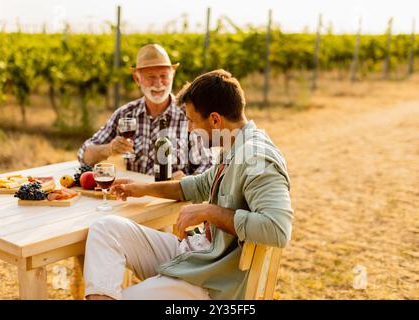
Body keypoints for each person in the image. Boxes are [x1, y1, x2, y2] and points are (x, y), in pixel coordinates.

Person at [83, 69, 293, 300]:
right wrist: (141, 188)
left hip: (213, 279)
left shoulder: (256, 157)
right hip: (198, 255)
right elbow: (198, 185)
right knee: (106, 228)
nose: (190, 129)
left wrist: (209, 211)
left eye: (192, 121)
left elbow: (277, 229)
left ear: (215, 119)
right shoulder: (235, 146)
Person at [77, 44, 211, 179]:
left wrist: (187, 181)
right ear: (137, 79)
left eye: (164, 75)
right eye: (151, 77)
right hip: (134, 196)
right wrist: (109, 149)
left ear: (173, 74)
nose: (158, 83)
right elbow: (84, 154)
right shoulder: (125, 114)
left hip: (174, 197)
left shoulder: (189, 116)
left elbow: (208, 164)